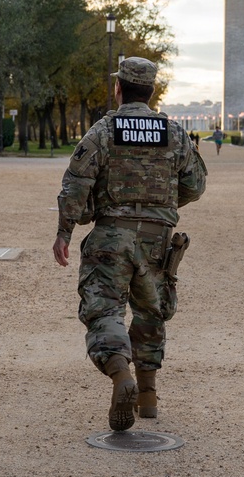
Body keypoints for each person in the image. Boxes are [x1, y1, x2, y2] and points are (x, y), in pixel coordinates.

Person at [53, 57, 207, 432]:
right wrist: (162, 207)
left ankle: (121, 374)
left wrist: (64, 232)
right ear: (152, 92)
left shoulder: (104, 130)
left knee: (103, 310)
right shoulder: (174, 132)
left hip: (110, 234)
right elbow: (195, 184)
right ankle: (148, 396)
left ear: (119, 88)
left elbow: (76, 184)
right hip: (157, 238)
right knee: (151, 310)